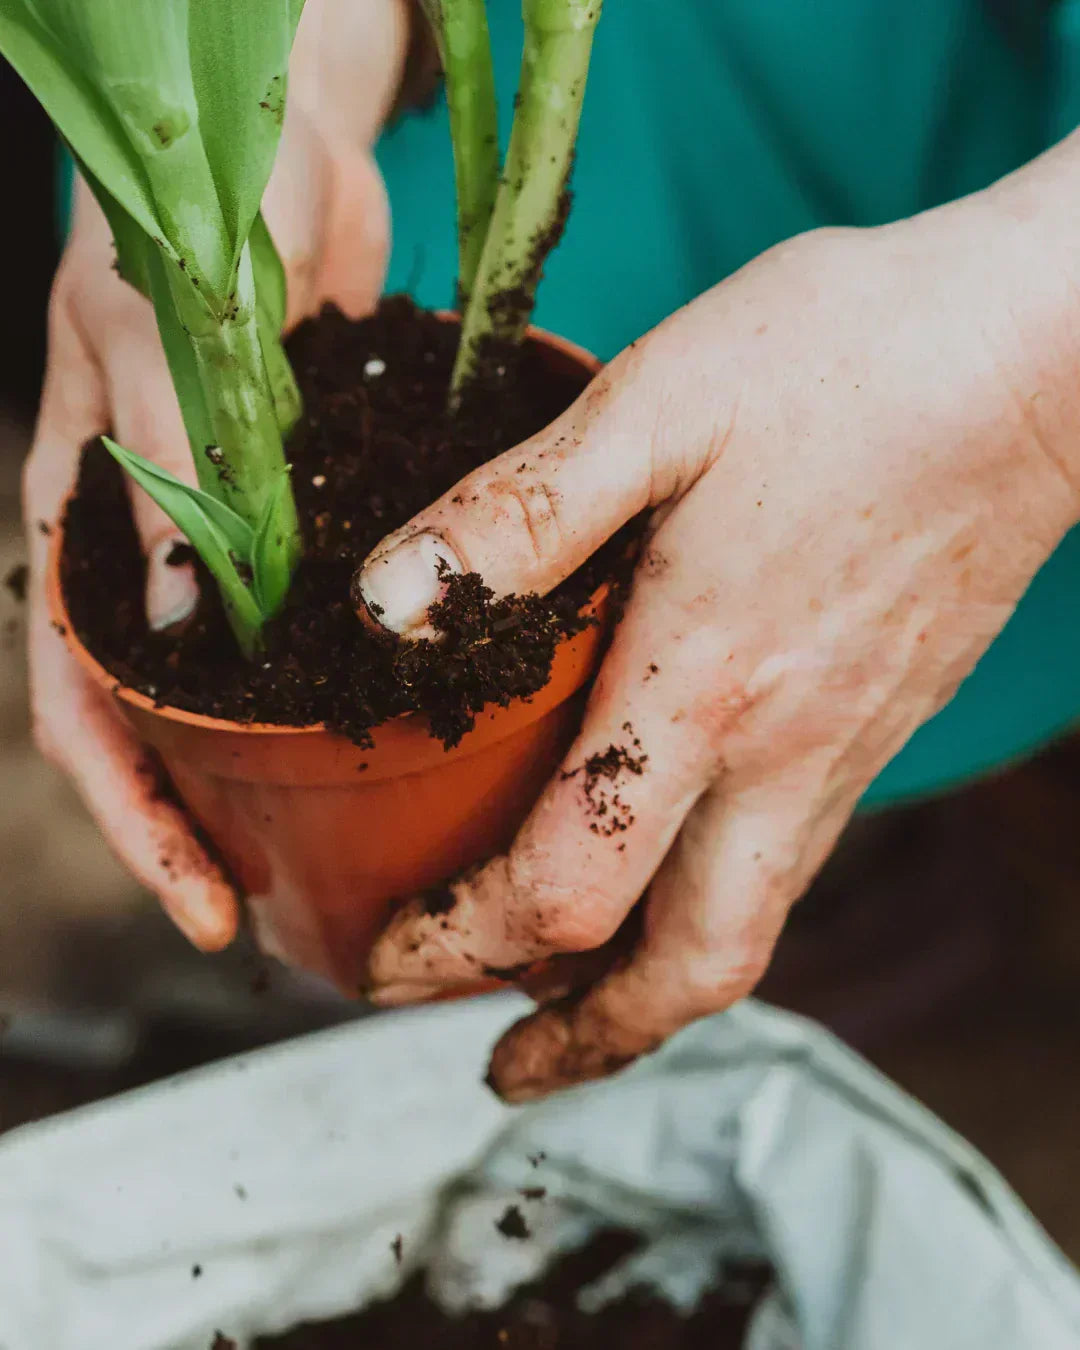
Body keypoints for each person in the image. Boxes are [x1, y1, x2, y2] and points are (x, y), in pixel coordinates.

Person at [24, 0, 1080, 1099]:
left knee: (802, 655)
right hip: (461, 153)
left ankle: (860, 862)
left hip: (967, 158)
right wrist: (283, 48)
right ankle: (374, 931)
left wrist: (1026, 382)